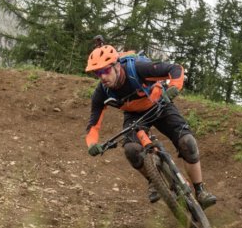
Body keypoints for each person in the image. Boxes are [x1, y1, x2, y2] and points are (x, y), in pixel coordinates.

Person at [83, 42, 217, 209]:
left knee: (187, 143)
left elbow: (175, 69)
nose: (102, 76)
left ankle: (200, 190)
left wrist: (174, 87)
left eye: (105, 70)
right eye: (98, 73)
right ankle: (154, 180)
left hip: (160, 104)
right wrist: (92, 145)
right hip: (134, 116)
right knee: (131, 150)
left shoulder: (138, 69)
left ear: (117, 66)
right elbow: (93, 125)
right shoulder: (101, 92)